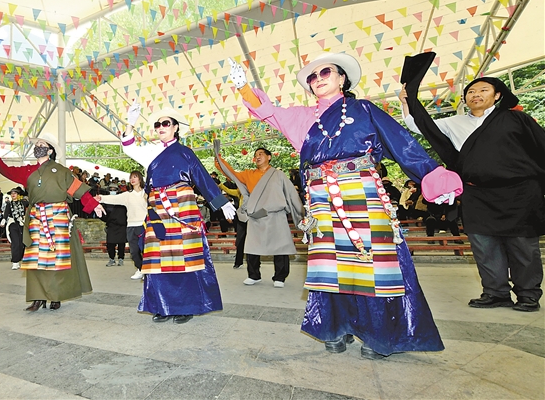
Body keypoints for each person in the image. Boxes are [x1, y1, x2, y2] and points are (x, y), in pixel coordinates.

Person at [228, 53, 462, 358]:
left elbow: (401, 141)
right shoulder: (302, 117)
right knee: (329, 267)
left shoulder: (363, 108)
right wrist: (244, 87)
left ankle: (379, 334)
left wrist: (432, 175)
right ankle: (335, 327)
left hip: (362, 191)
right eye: (312, 77)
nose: (318, 79)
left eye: (326, 72)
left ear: (342, 79)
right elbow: (268, 112)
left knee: (372, 264)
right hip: (321, 197)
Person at [400, 54, 545, 312]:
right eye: (470, 92)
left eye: (483, 90)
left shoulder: (516, 119)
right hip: (476, 195)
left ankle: (528, 295)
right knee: (484, 245)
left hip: (519, 193)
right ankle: (495, 293)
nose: (475, 94)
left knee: (523, 246)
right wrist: (406, 101)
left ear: (497, 95)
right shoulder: (454, 123)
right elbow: (419, 125)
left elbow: (540, 149)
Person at [120, 102, 237, 324]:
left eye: (165, 123)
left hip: (183, 209)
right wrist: (130, 123)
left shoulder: (185, 153)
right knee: (157, 260)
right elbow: (129, 147)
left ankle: (186, 306)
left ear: (175, 127)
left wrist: (222, 202)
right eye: (157, 125)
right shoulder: (151, 151)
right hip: (157, 210)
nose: (160, 127)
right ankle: (162, 306)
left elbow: (202, 178)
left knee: (186, 258)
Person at [0, 134, 105, 311]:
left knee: (58, 258)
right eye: (36, 144)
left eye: (41, 144)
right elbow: (6, 170)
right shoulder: (28, 171)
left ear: (50, 150)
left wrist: (94, 205)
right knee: (35, 258)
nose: (38, 146)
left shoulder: (61, 171)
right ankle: (38, 297)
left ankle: (56, 296)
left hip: (58, 217)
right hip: (36, 217)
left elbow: (78, 189)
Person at [215, 146, 304, 288]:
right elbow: (231, 173)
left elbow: (291, 193)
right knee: (252, 247)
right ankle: (253, 275)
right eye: (256, 155)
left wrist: (301, 211)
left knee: (280, 247)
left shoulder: (278, 174)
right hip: (256, 216)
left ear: (269, 157)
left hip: (276, 215)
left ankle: (280, 277)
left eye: (261, 154)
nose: (257, 156)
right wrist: (219, 160)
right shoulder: (248, 174)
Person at [96, 170, 148, 280]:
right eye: (131, 177)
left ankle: (147, 271)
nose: (132, 179)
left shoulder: (146, 193)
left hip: (143, 225)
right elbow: (114, 198)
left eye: (135, 177)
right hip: (131, 226)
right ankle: (141, 269)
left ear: (140, 179)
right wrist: (101, 198)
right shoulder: (127, 195)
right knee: (134, 252)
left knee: (145, 250)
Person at [2, 186, 29, 270]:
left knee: (22, 243)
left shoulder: (24, 202)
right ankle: (15, 262)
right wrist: (4, 219)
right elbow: (6, 213)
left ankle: (21, 259)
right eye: (12, 193)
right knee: (15, 242)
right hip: (13, 224)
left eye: (15, 193)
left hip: (22, 224)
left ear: (18, 195)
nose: (13, 195)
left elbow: (31, 204)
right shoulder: (9, 204)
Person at [98, 200, 128, 267]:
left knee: (121, 244)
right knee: (110, 244)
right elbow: (104, 215)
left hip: (122, 225)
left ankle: (121, 259)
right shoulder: (107, 204)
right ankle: (111, 259)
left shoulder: (123, 202)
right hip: (111, 226)